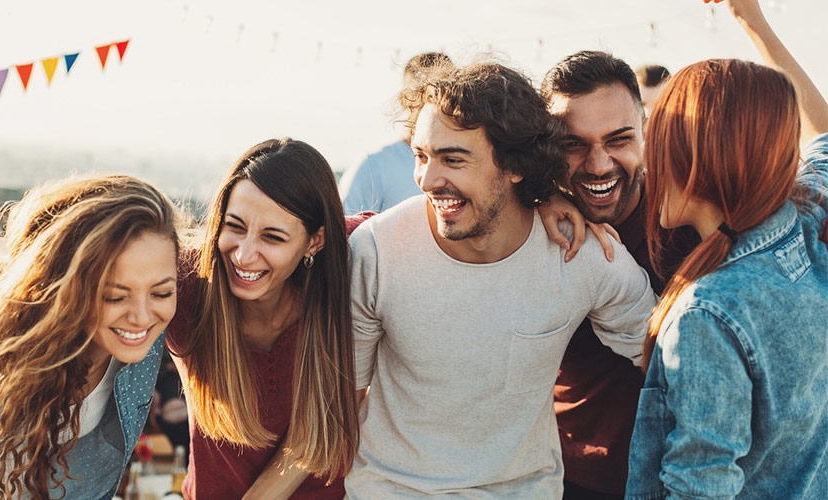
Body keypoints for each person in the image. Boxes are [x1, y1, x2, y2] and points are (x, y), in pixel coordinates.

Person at [346, 61, 657, 498]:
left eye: (453, 159)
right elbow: (344, 392)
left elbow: (673, 359)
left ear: (516, 164)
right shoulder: (375, 250)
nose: (426, 180)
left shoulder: (586, 255)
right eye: (421, 156)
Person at [626, 0, 828, 498]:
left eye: (659, 138)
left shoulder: (709, 315)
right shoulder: (806, 223)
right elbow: (824, 135)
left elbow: (699, 488)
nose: (648, 158)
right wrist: (752, 20)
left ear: (699, 156)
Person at [0, 175, 180, 500]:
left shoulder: (140, 345)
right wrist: (16, 277)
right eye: (114, 296)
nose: (141, 316)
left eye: (162, 292)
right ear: (66, 287)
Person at [540, 52, 699, 499]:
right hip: (568, 479)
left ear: (646, 134)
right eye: (573, 144)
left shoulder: (690, 218)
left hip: (683, 478)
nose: (598, 164)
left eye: (618, 139)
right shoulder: (530, 230)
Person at [167, 138, 362, 499]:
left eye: (272, 237)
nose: (244, 255)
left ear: (314, 242)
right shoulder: (185, 285)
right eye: (235, 227)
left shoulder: (357, 266)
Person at [339, 52, 453, 214]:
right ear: (404, 99)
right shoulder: (373, 166)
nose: (434, 102)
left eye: (444, 94)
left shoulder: (464, 163)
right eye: (424, 94)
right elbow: (344, 232)